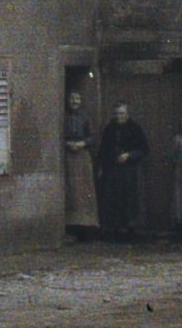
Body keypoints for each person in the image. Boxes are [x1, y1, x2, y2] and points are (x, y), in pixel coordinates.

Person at [97, 103, 149, 239]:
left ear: (127, 115)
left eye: (122, 114)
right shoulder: (109, 129)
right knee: (113, 198)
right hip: (113, 169)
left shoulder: (135, 128)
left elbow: (144, 149)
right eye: (117, 114)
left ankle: (130, 228)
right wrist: (103, 165)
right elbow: (103, 149)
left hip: (129, 170)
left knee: (130, 198)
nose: (119, 116)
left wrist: (129, 155)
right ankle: (114, 229)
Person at [62, 90, 99, 238]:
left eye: (77, 98)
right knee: (71, 189)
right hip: (69, 156)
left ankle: (86, 227)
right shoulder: (64, 116)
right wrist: (67, 143)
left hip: (82, 157)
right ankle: (71, 226)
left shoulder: (85, 117)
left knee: (84, 190)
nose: (75, 101)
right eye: (72, 98)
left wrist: (82, 143)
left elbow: (91, 137)